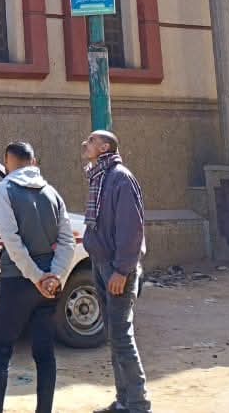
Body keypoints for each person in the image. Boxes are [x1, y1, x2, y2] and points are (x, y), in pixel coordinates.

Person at [0, 141, 75, 413]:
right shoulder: (52, 192)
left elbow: (11, 241)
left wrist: (36, 276)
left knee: (0, 353)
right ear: (33, 161)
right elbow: (68, 241)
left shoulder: (4, 189)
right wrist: (54, 276)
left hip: (17, 282)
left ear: (7, 162)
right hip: (47, 288)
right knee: (45, 353)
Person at [81, 129, 151, 413]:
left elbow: (131, 229)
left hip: (117, 268)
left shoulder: (120, 178)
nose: (85, 144)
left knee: (122, 337)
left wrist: (122, 270)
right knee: (113, 336)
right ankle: (124, 400)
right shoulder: (100, 177)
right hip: (102, 264)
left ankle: (138, 403)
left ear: (106, 146)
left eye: (92, 140)